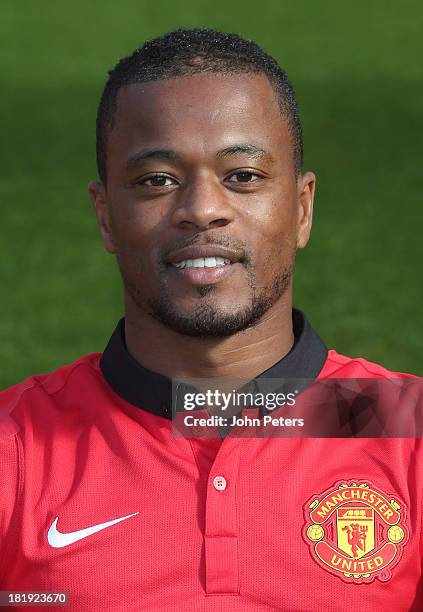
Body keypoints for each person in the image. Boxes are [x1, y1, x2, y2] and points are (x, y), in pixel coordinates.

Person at [0, 28, 421, 611]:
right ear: (105, 216)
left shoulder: (409, 432)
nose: (202, 209)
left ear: (302, 207)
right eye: (157, 181)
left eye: (243, 176)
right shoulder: (14, 447)